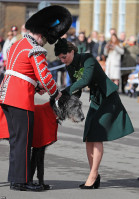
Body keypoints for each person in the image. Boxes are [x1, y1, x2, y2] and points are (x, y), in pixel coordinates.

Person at [0, 5, 72, 192]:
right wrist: (55, 93)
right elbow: (45, 76)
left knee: (17, 141)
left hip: (7, 95)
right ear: (41, 34)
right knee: (23, 141)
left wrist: (36, 85)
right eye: (46, 38)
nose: (45, 42)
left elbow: (20, 71)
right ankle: (22, 181)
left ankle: (16, 179)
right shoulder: (35, 49)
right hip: (20, 99)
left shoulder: (16, 45)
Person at [54, 38, 134, 189]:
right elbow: (76, 90)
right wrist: (63, 103)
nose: (63, 60)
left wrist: (63, 92)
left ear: (71, 52)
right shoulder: (70, 65)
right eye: (60, 58)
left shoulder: (88, 58)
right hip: (95, 99)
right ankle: (94, 174)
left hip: (108, 97)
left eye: (64, 57)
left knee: (96, 135)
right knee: (89, 135)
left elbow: (85, 80)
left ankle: (93, 175)